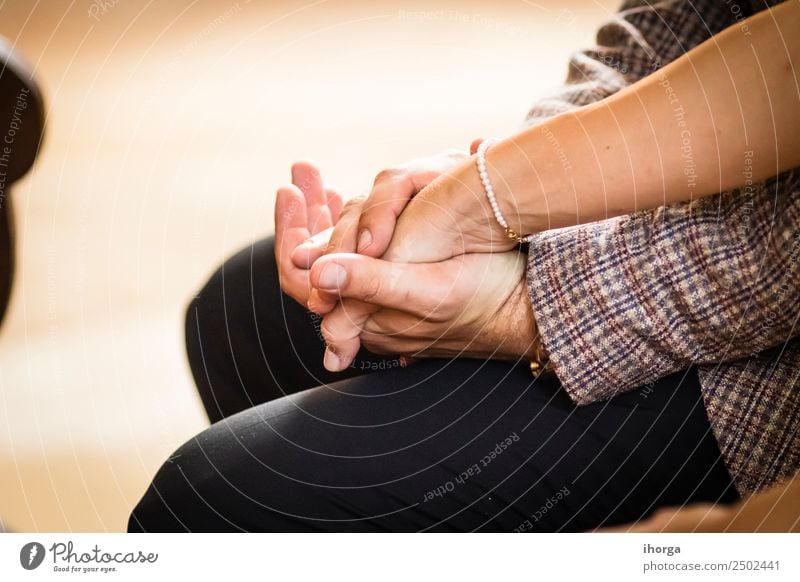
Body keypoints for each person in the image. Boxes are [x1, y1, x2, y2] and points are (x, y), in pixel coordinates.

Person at [129, 0, 799, 532]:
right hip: (688, 217)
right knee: (244, 312)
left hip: (770, 357)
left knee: (211, 499)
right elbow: (684, 22)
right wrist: (485, 182)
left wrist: (532, 302)